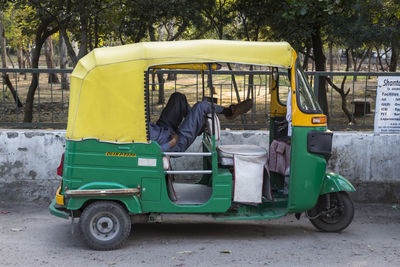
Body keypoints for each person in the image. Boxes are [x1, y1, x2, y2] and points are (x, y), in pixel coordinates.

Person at [149, 92, 252, 152]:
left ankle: (197, 124)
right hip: (176, 141)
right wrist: (172, 142)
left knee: (178, 97)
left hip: (163, 128)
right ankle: (229, 112)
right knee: (201, 106)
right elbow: (151, 152)